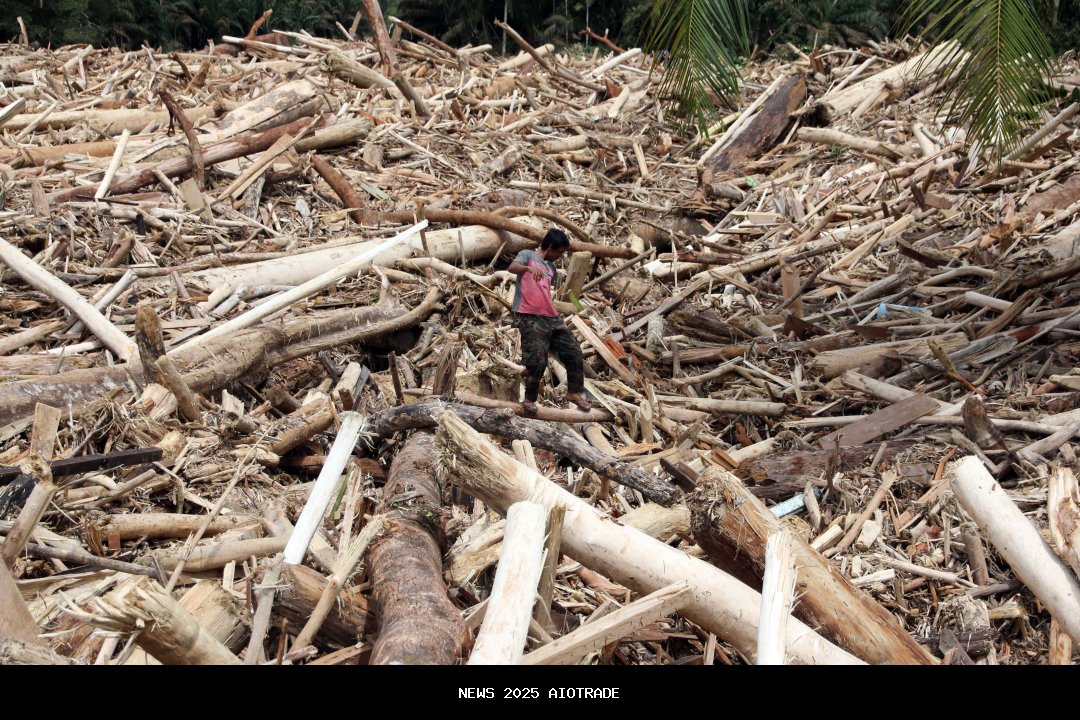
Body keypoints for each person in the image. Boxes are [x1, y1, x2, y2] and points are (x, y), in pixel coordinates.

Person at [507, 228, 591, 415]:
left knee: (574, 350)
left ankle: (574, 392)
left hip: (551, 317)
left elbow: (544, 292)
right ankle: (529, 399)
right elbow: (512, 268)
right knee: (537, 359)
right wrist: (528, 268)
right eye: (559, 252)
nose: (560, 256)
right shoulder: (527, 255)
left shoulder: (551, 268)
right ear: (550, 246)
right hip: (529, 315)